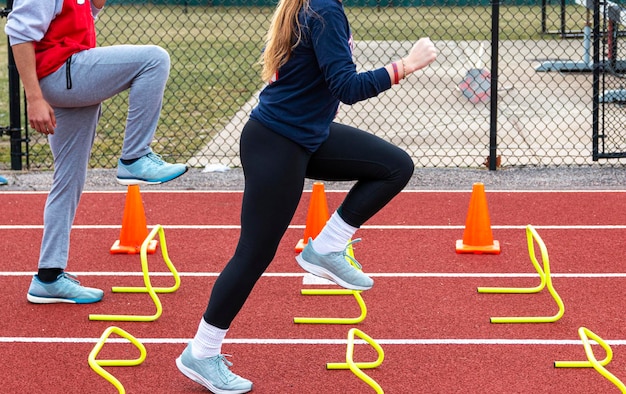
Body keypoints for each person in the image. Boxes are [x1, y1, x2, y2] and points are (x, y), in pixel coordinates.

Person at [175, 0, 437, 391]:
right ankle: (202, 352)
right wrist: (406, 65)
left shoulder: (317, 7)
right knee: (253, 254)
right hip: (277, 142)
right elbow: (346, 88)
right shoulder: (323, 10)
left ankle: (327, 247)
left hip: (306, 135)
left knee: (394, 166)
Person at [5, 0, 188, 304]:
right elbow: (19, 32)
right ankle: (134, 157)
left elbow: (86, 15)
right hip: (59, 72)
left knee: (68, 180)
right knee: (154, 59)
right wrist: (34, 98)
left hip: (69, 72)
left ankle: (48, 278)